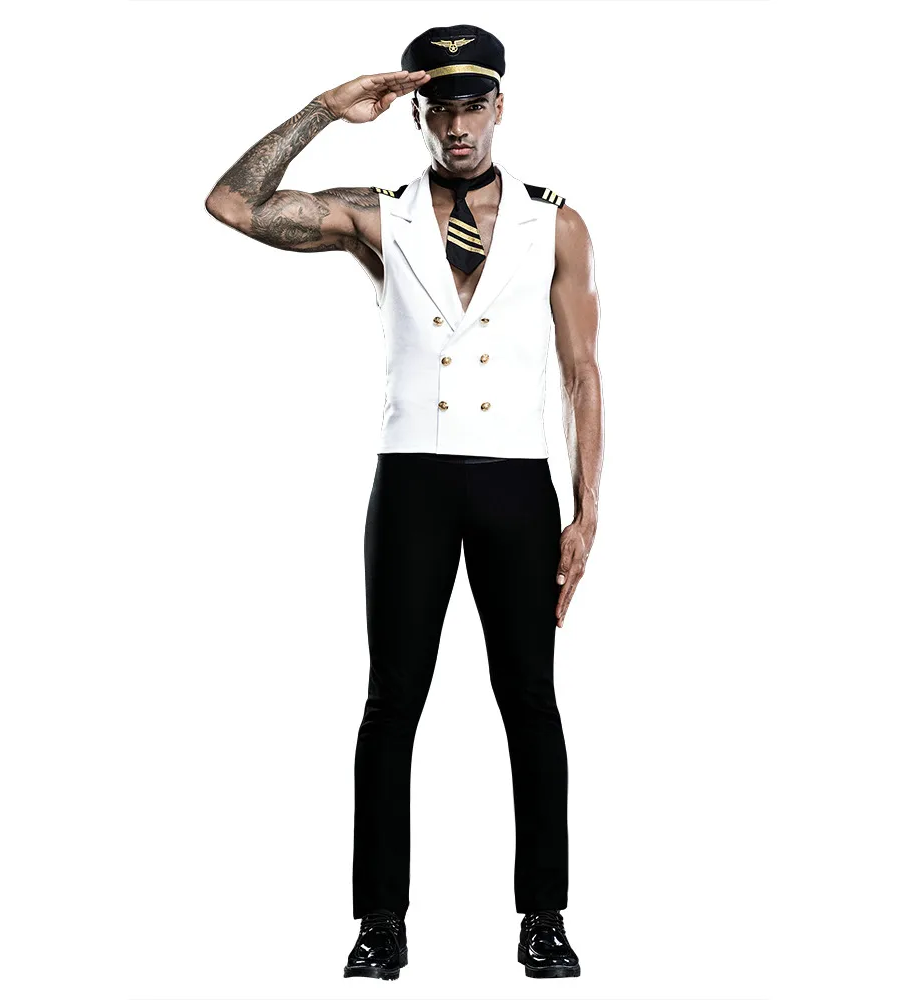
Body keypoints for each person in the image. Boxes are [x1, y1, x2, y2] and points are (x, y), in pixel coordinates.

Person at [204, 23, 602, 981]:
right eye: (441, 109)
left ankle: (543, 918)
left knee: (530, 702)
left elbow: (582, 370)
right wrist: (322, 110)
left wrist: (586, 509)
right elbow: (232, 203)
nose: (458, 127)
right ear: (418, 115)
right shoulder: (379, 216)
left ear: (499, 107)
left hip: (514, 479)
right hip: (413, 478)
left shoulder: (556, 225)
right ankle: (381, 920)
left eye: (473, 106)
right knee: (392, 703)